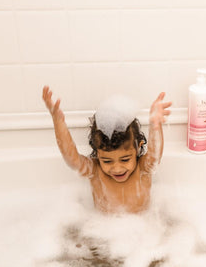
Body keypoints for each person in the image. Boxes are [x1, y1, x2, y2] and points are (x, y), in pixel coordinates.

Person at [42, 86, 172, 213]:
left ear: (138, 148)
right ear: (97, 153)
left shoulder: (142, 169)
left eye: (125, 159)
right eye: (107, 161)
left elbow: (155, 156)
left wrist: (155, 125)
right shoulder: (95, 171)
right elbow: (72, 160)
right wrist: (58, 121)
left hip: (143, 227)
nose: (117, 168)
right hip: (102, 229)